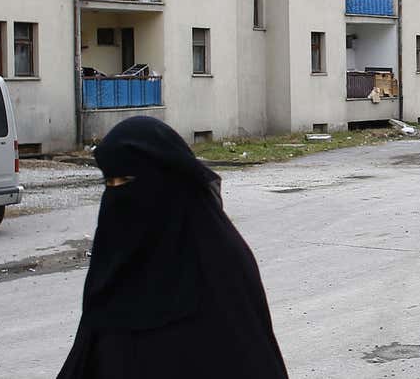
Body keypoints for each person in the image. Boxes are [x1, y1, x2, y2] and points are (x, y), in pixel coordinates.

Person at [56, 117, 289, 379]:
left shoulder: (220, 265)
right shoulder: (113, 267)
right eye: (110, 183)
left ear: (167, 181)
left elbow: (253, 361)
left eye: (127, 181)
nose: (118, 194)